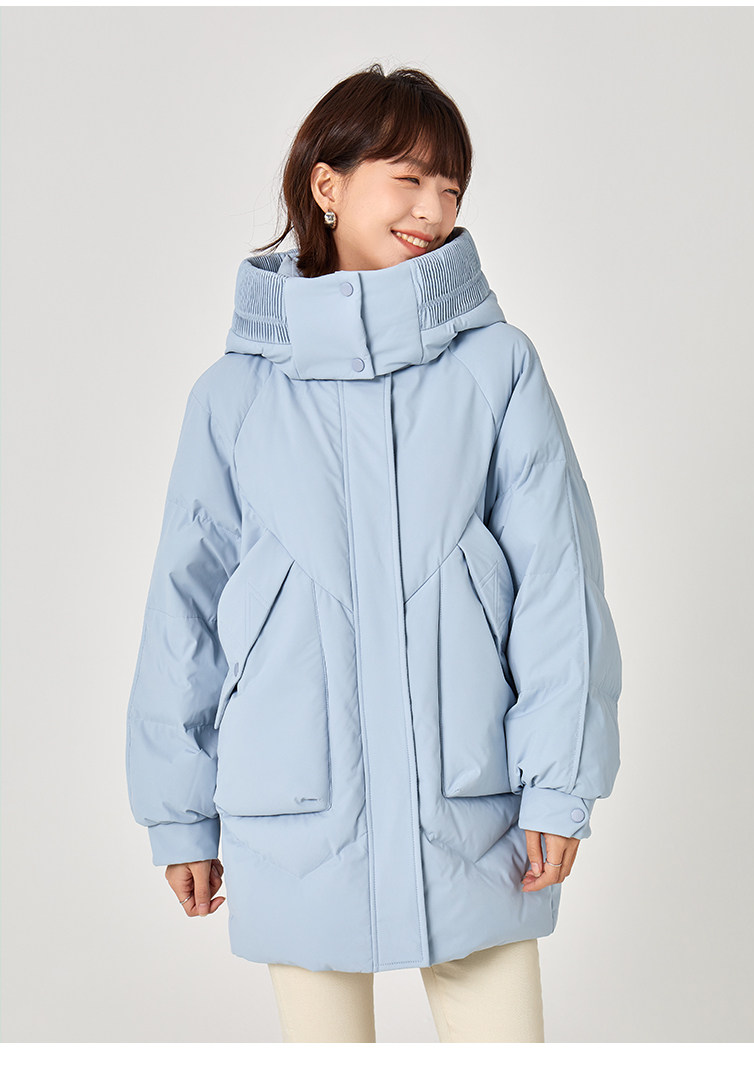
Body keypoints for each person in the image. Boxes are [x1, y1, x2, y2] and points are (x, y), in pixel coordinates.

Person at [125, 63, 622, 1043]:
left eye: (451, 187)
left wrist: (559, 783)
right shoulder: (233, 395)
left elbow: (558, 587)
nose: (434, 208)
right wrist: (178, 810)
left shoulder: (496, 368)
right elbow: (186, 608)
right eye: (409, 178)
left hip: (470, 803)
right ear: (327, 184)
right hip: (295, 806)